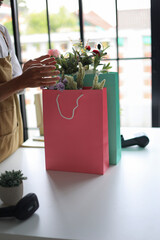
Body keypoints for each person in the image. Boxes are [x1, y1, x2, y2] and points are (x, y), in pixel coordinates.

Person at [0, 0, 60, 162]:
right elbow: (17, 84)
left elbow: (17, 88)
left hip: (11, 135)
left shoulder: (3, 33)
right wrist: (21, 81)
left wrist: (26, 75)